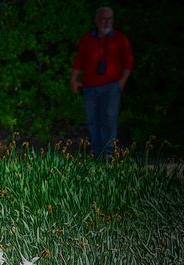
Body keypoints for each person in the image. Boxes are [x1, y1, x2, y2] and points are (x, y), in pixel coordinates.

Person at [70, 6, 134, 159]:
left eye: (109, 19)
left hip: (111, 86)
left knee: (109, 120)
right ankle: (97, 154)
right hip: (90, 87)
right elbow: (79, 60)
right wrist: (73, 79)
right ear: (96, 21)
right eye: (103, 19)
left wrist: (121, 83)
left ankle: (108, 155)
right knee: (93, 121)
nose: (106, 22)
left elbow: (129, 62)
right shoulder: (88, 38)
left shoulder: (120, 39)